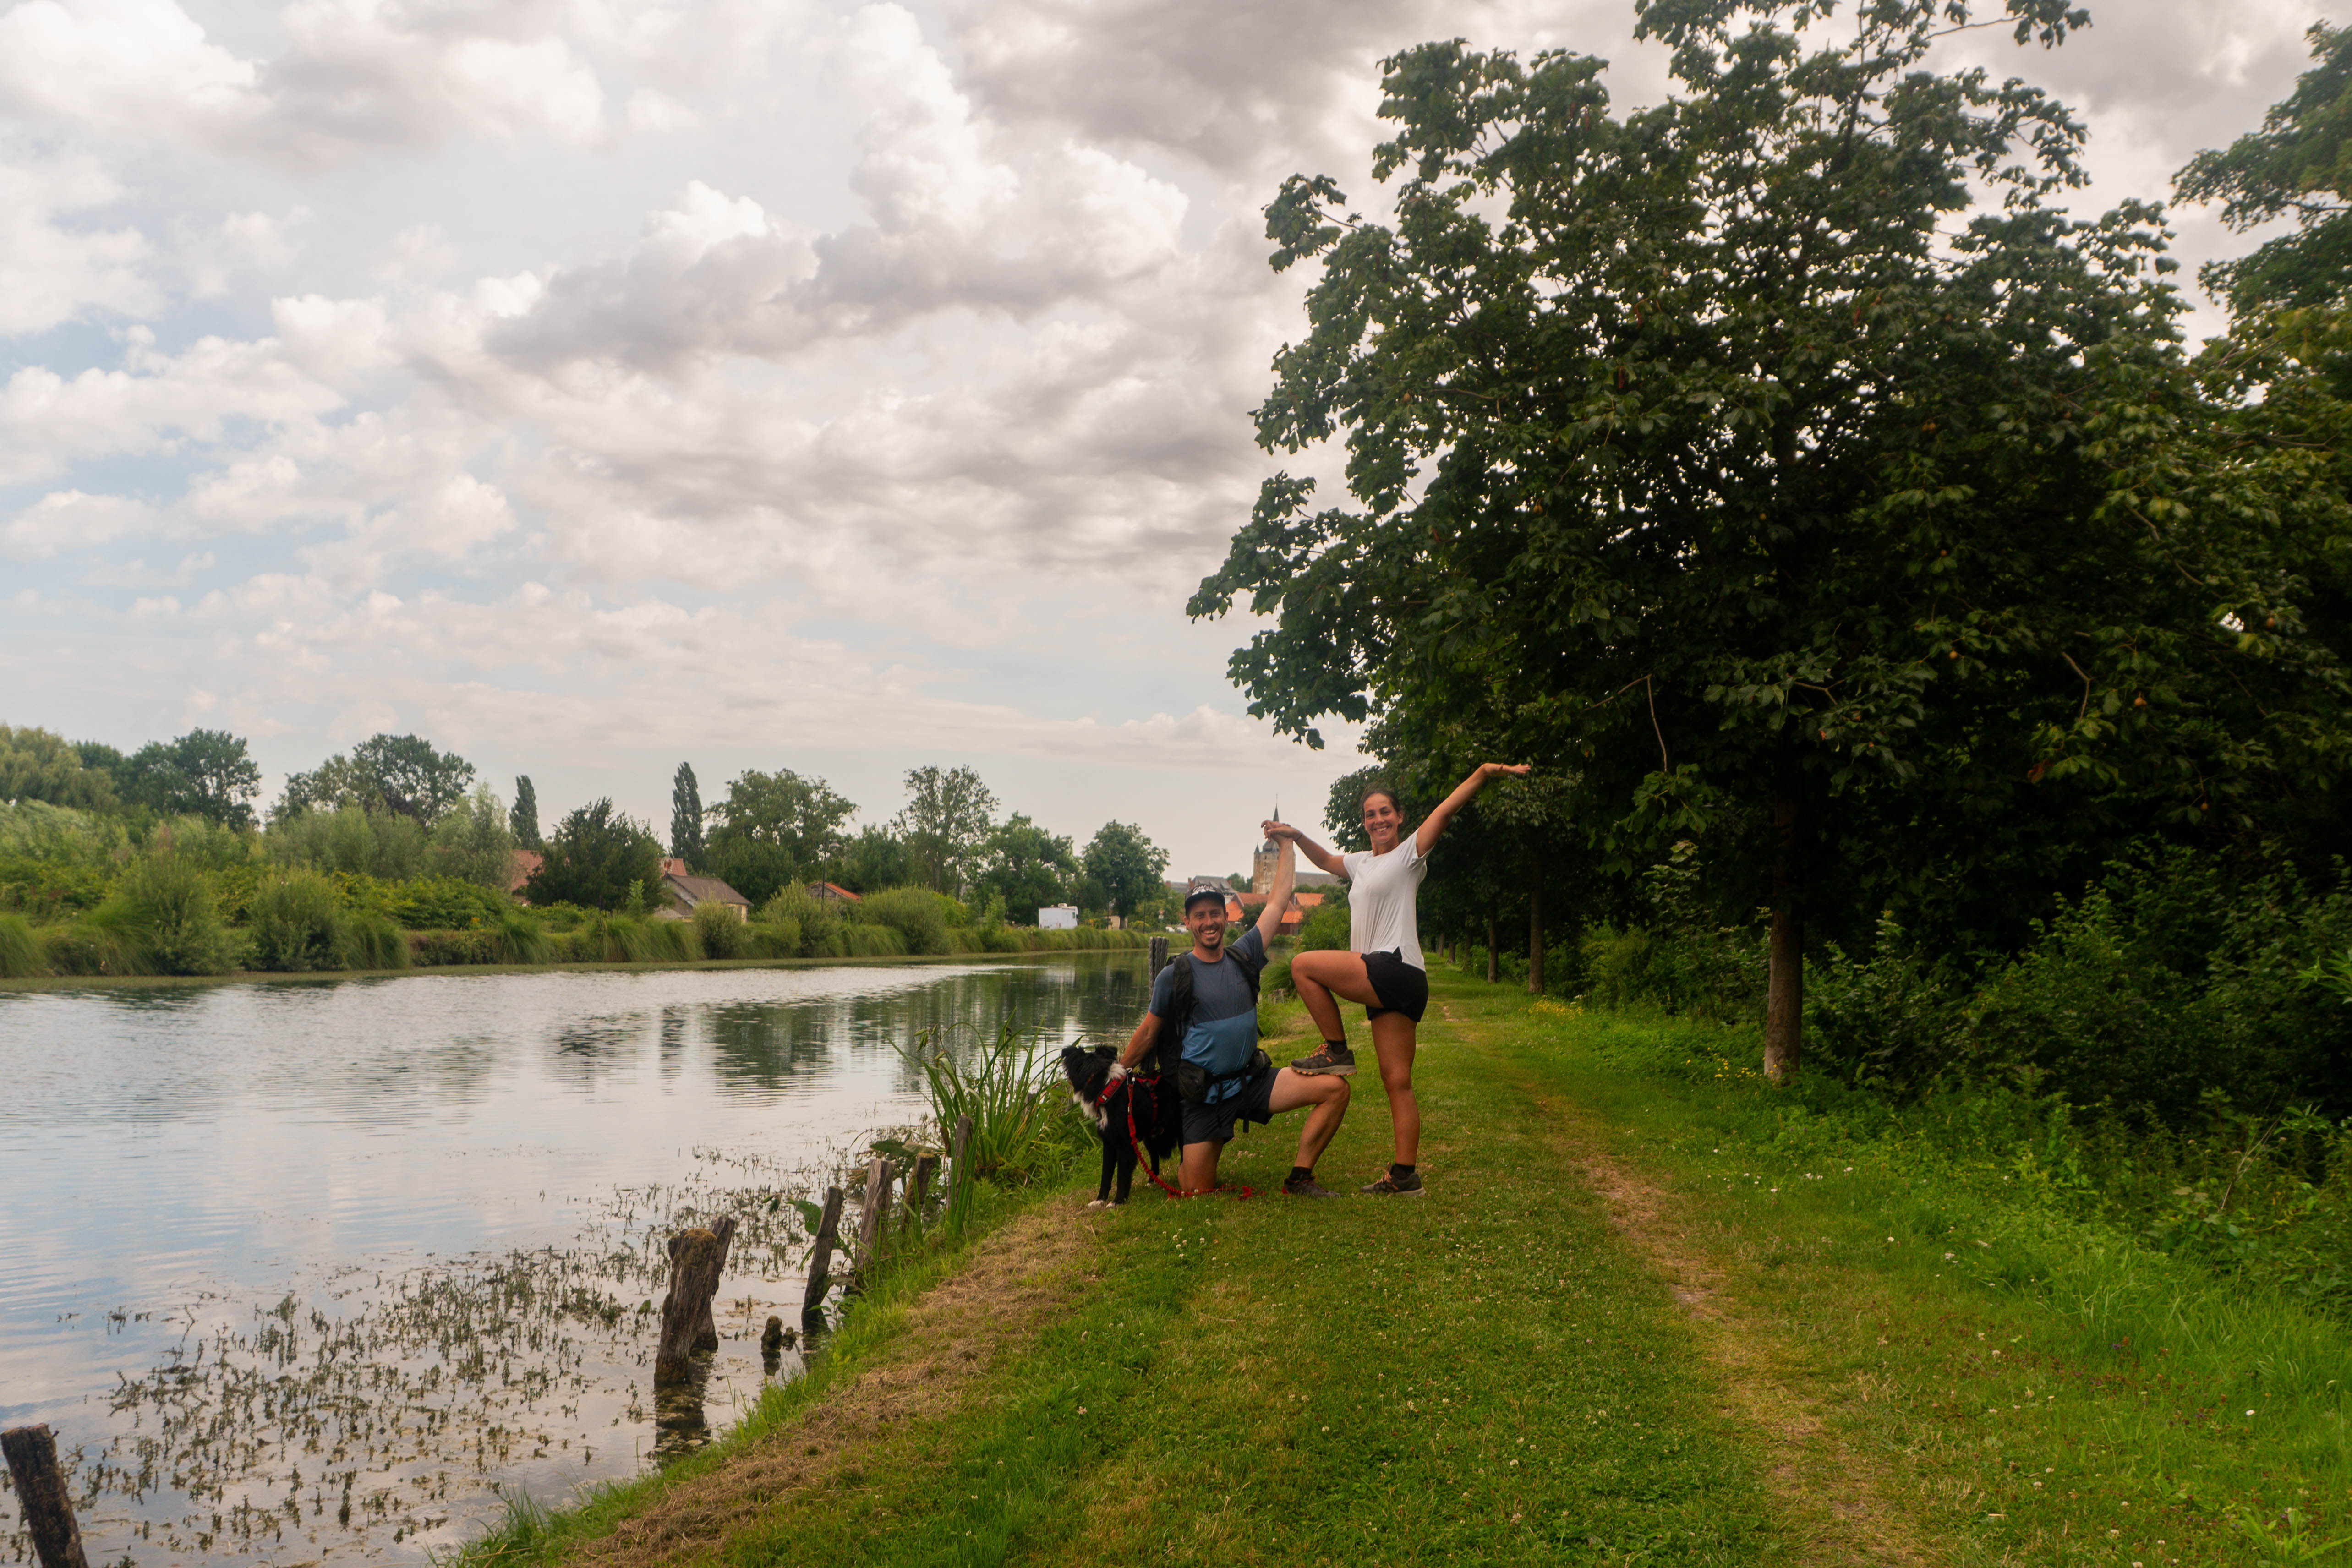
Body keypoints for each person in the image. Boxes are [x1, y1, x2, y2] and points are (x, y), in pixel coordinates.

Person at [1263, 762, 1532, 1196]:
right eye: (1371, 814)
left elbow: (1444, 812)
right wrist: (1295, 837)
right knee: (1398, 1081)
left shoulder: (1409, 854)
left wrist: (1483, 774)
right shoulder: (1360, 862)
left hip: (1393, 965)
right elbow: (1327, 859)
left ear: (1400, 816)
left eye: (1385, 811)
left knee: (1302, 965)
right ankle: (1405, 1175)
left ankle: (1335, 1049)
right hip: (1397, 981)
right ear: (1364, 822)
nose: (1379, 820)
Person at [1112, 836, 1351, 1197]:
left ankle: (1300, 1177)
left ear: (1225, 917)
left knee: (1335, 1088)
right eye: (1200, 916)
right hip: (1204, 1095)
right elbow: (1148, 1033)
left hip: (1251, 1082)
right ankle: (1205, 1140)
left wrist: (1287, 843)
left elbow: (1277, 901)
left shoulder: (1246, 955)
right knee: (1195, 1187)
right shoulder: (1173, 976)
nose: (1209, 922)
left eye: (1215, 914)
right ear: (1189, 922)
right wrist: (1116, 1077)